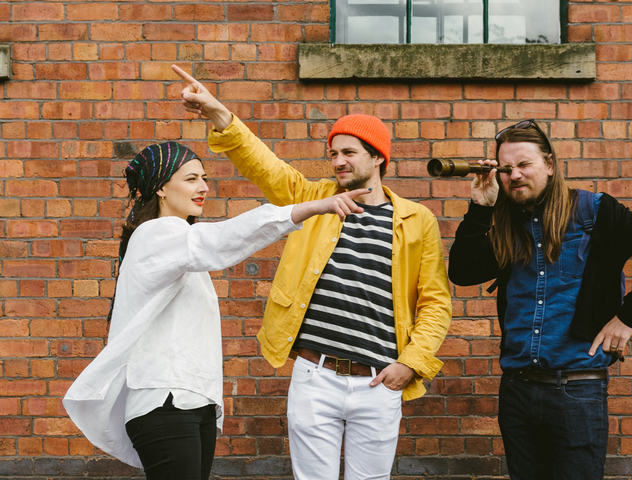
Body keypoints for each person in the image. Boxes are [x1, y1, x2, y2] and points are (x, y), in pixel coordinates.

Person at [172, 65, 452, 480]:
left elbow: (435, 302)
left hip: (378, 381)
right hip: (314, 376)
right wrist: (217, 112)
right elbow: (262, 164)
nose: (338, 161)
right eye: (333, 153)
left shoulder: (416, 220)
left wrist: (411, 363)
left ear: (378, 157)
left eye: (349, 152)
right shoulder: (313, 198)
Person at [63, 141, 369, 480]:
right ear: (161, 188)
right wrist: (305, 209)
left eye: (204, 178)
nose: (204, 187)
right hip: (165, 401)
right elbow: (221, 240)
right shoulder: (158, 233)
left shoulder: (182, 244)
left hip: (193, 402)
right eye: (191, 179)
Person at [448, 120, 632, 480]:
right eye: (506, 169)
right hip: (517, 390)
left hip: (578, 390)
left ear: (550, 165)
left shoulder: (593, 211)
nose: (514, 175)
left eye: (524, 164)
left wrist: (627, 319)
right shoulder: (508, 223)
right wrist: (481, 208)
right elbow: (462, 273)